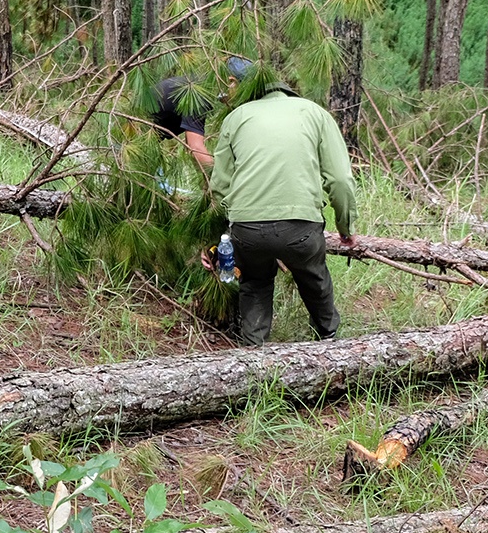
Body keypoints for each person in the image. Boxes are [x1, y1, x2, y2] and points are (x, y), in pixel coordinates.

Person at [207, 79, 357, 344]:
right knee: (313, 277)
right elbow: (340, 181)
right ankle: (330, 341)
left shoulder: (236, 117)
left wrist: (231, 227)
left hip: (246, 227)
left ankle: (253, 355)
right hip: (300, 227)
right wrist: (346, 228)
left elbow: (219, 186)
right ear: (288, 91)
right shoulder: (315, 114)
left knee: (254, 283)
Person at [150, 57, 252, 168]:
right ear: (231, 82)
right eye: (243, 92)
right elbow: (196, 149)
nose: (243, 99)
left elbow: (192, 148)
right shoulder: (199, 95)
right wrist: (221, 180)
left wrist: (205, 181)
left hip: (144, 136)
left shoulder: (202, 85)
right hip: (134, 130)